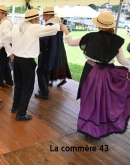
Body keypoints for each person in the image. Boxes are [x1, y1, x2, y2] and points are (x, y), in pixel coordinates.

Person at [63, 12, 130, 140]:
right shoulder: (117, 40)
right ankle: (98, 128)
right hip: (107, 74)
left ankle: (88, 128)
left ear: (98, 25)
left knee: (89, 100)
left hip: (91, 71)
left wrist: (66, 31)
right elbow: (123, 60)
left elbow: (71, 43)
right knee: (102, 101)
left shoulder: (89, 36)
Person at [3, 9, 63, 121]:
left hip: (17, 61)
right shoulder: (34, 27)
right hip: (27, 61)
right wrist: (59, 25)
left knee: (19, 85)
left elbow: (5, 38)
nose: (39, 20)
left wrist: (10, 52)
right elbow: (52, 29)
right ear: (34, 19)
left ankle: (15, 107)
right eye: (38, 19)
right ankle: (21, 113)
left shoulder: (18, 28)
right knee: (28, 88)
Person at [35, 7, 63, 99]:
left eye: (43, 16)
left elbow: (43, 39)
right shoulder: (58, 25)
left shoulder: (48, 26)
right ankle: (45, 89)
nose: (43, 18)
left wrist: (41, 49)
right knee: (46, 72)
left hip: (46, 53)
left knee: (40, 71)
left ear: (47, 16)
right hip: (54, 52)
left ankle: (44, 92)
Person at [0, 5, 14, 89]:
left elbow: (6, 36)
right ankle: (9, 82)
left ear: (3, 14)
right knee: (5, 64)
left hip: (3, 46)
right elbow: (4, 33)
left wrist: (0, 46)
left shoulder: (5, 23)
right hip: (4, 45)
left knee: (0, 65)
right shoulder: (5, 22)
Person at [49, 16, 72, 87]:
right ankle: (61, 79)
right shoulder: (61, 27)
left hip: (54, 47)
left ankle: (51, 80)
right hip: (60, 47)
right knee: (62, 63)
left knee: (53, 63)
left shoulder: (54, 27)